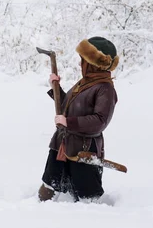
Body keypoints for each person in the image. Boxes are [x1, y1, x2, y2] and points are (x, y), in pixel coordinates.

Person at [38, 36, 119, 202]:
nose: (79, 64)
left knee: (86, 198)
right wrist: (56, 88)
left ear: (93, 63)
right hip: (62, 145)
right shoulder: (85, 82)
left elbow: (99, 121)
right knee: (49, 189)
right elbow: (67, 106)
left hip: (83, 151)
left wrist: (69, 123)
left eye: (83, 60)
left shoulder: (105, 89)